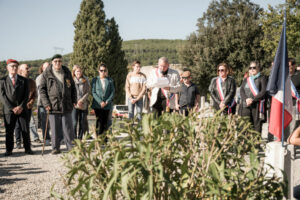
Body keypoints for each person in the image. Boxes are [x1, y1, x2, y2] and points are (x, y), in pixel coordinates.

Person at [39, 54, 77, 154]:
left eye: (59, 61)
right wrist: (46, 103)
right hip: (52, 105)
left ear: (62, 62)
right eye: (55, 61)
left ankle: (71, 147)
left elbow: (73, 88)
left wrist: (74, 100)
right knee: (55, 128)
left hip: (66, 104)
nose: (57, 63)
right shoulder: (46, 74)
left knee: (68, 128)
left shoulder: (67, 72)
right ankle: (55, 148)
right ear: (52, 62)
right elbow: (42, 90)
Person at [0, 59, 34, 156]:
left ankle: (28, 149)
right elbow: (2, 96)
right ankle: (9, 150)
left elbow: (26, 95)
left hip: (22, 109)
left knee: (25, 129)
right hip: (9, 110)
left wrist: (21, 106)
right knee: (9, 131)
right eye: (12, 66)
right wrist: (12, 108)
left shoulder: (24, 80)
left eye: (16, 66)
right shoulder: (2, 81)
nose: (14, 68)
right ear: (7, 68)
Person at [14, 64, 40, 149]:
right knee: (18, 125)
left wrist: (31, 103)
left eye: (28, 68)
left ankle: (27, 142)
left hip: (28, 107)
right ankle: (18, 141)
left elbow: (34, 95)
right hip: (18, 107)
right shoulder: (16, 80)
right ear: (20, 70)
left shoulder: (32, 82)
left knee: (27, 125)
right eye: (26, 68)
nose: (28, 70)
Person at [239, 61, 267, 133]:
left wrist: (253, 100)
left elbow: (263, 91)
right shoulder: (246, 79)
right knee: (245, 125)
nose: (252, 69)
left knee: (256, 126)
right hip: (246, 105)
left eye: (254, 67)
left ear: (258, 68)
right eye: (250, 68)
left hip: (256, 105)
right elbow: (241, 90)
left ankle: (256, 144)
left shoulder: (262, 78)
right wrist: (246, 99)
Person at [91, 63, 115, 136]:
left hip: (107, 105)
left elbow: (112, 92)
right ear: (99, 71)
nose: (103, 72)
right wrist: (100, 102)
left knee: (105, 122)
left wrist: (107, 101)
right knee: (99, 122)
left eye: (104, 70)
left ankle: (105, 139)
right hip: (98, 105)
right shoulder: (95, 80)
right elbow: (93, 92)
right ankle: (98, 138)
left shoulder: (110, 80)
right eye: (101, 70)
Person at [72, 65, 90, 140]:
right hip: (74, 104)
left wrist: (81, 100)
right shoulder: (71, 80)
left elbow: (87, 92)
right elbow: (70, 92)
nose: (78, 72)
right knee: (74, 122)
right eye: (77, 71)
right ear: (74, 72)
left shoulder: (85, 80)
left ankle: (80, 138)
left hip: (83, 104)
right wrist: (75, 101)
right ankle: (74, 138)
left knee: (82, 122)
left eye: (79, 71)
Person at [36, 62, 51, 145]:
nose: (47, 68)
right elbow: (41, 91)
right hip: (42, 103)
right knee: (44, 122)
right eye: (45, 67)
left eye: (49, 67)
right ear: (42, 68)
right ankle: (46, 138)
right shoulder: (39, 78)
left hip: (53, 102)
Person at [286, 58, 300, 140]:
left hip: (296, 104)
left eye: (289, 66)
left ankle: (292, 144)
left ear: (294, 65)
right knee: (286, 126)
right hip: (285, 104)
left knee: (294, 125)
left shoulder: (299, 75)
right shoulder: (284, 76)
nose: (287, 68)